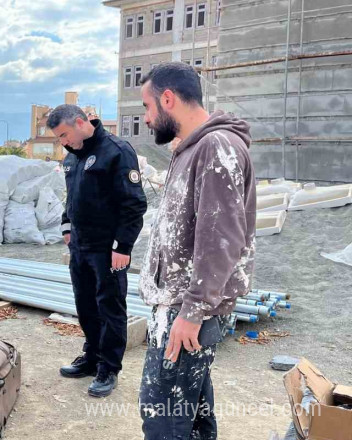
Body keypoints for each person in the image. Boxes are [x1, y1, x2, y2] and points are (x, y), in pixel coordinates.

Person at [137, 62, 256, 440]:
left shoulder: (215, 146)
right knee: (192, 418)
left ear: (168, 98)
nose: (146, 118)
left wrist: (192, 311)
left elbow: (221, 238)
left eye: (148, 107)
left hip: (186, 314)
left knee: (163, 420)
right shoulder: (190, 148)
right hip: (180, 310)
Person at [48, 104, 148, 398]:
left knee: (110, 308)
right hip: (80, 247)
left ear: (81, 123)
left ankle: (108, 368)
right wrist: (67, 227)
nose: (63, 142)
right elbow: (72, 197)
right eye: (59, 138)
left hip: (108, 249)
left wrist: (123, 246)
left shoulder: (116, 150)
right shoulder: (72, 157)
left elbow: (134, 204)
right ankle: (92, 357)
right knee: (86, 306)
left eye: (65, 134)